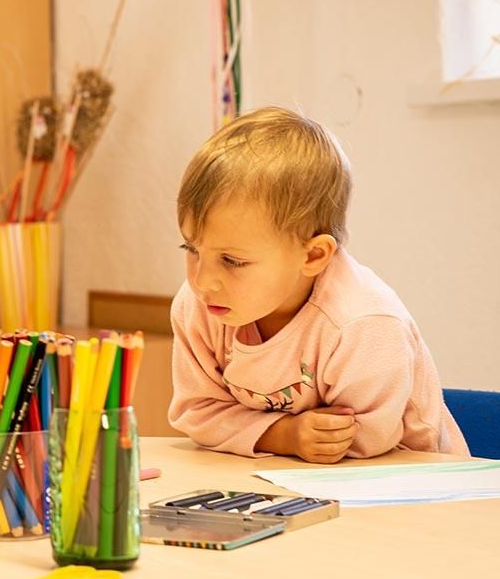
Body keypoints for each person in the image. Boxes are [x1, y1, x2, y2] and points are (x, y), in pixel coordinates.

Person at [168, 107, 468, 462]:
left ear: (312, 256)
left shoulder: (362, 323)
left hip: (412, 478)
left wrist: (272, 435)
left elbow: (365, 443)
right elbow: (196, 412)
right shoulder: (199, 307)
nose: (202, 281)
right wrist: (284, 435)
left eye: (233, 261)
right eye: (192, 249)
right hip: (288, 478)